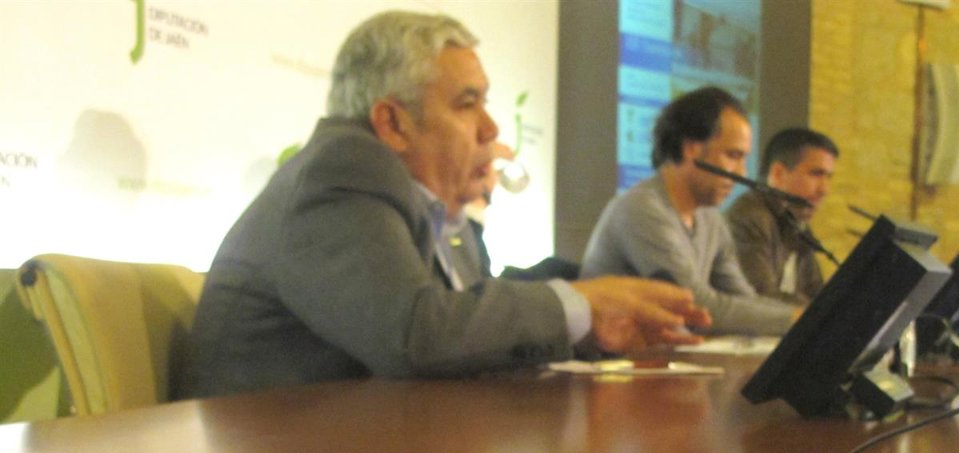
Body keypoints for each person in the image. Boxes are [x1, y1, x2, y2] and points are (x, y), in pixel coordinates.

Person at [177, 11, 708, 399]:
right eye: (467, 102)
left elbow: (464, 331)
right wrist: (576, 302)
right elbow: (416, 334)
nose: (491, 127)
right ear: (392, 123)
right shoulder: (342, 170)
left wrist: (589, 329)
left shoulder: (421, 204)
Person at [579, 86, 796, 336]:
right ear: (691, 148)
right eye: (733, 155)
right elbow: (694, 307)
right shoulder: (641, 209)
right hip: (613, 367)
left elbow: (743, 299)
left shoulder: (710, 218)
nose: (741, 173)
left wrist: (802, 320)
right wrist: (796, 321)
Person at [726, 127, 838, 305]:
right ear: (778, 174)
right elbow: (759, 298)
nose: (824, 190)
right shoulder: (749, 218)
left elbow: (816, 292)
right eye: (816, 174)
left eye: (829, 177)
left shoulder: (796, 221)